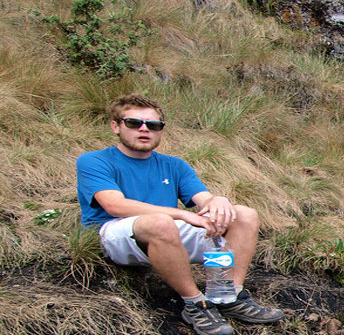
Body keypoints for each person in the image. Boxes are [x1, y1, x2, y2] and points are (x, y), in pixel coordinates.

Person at [76, 94, 284, 335]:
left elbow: (203, 200)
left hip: (166, 234)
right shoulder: (94, 160)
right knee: (162, 222)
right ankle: (195, 303)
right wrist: (181, 215)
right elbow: (114, 205)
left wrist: (218, 201)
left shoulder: (174, 165)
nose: (144, 130)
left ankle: (227, 296)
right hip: (113, 233)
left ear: (161, 130)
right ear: (116, 126)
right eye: (134, 123)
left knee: (244, 215)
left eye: (153, 125)